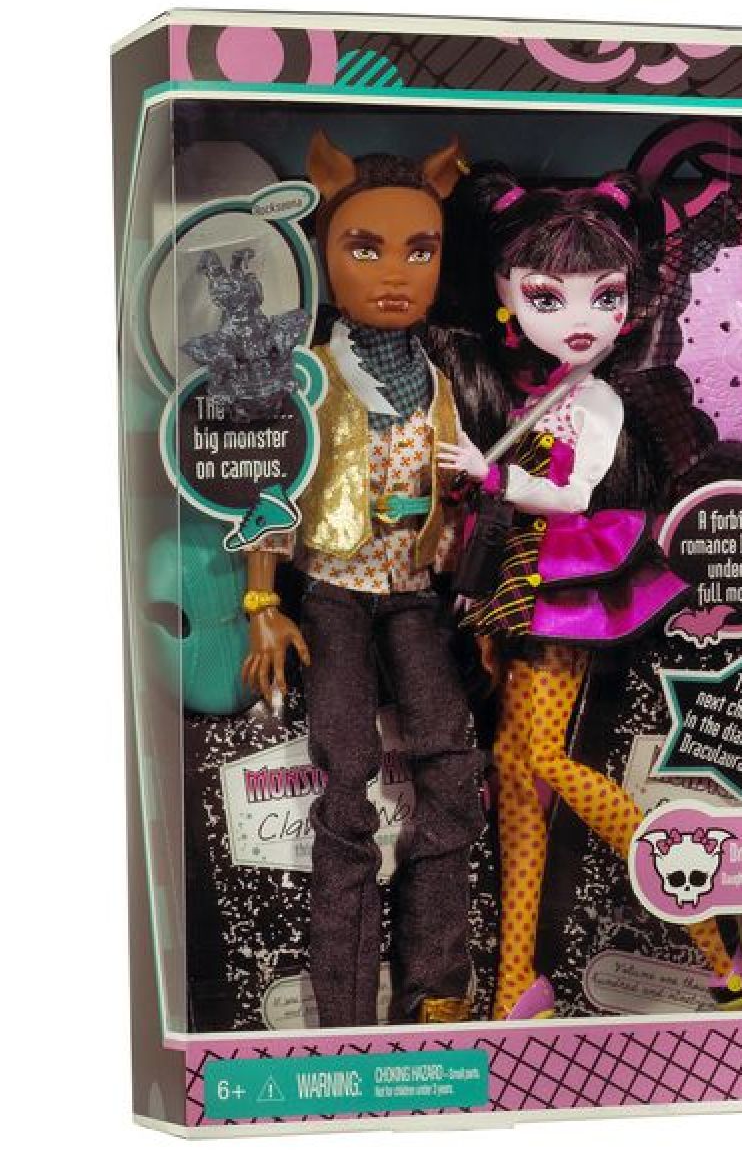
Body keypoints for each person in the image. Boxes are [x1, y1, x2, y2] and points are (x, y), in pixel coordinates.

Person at [438, 167, 742, 1020]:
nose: (581, 320)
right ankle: (519, 981)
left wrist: (491, 474)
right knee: (515, 777)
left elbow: (574, 495)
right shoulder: (521, 392)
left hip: (569, 586)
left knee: (545, 761)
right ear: (506, 293)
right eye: (548, 298)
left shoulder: (598, 403)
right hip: (516, 586)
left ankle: (713, 929)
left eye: (606, 296)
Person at [240, 131, 484, 1027]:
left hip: (414, 595)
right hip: (333, 594)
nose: (394, 274)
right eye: (365, 248)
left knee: (451, 766)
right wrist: (262, 602)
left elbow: (456, 493)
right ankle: (342, 1012)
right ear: (325, 251)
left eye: (420, 251)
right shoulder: (307, 376)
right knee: (343, 784)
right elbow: (265, 484)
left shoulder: (438, 379)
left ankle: (436, 992)